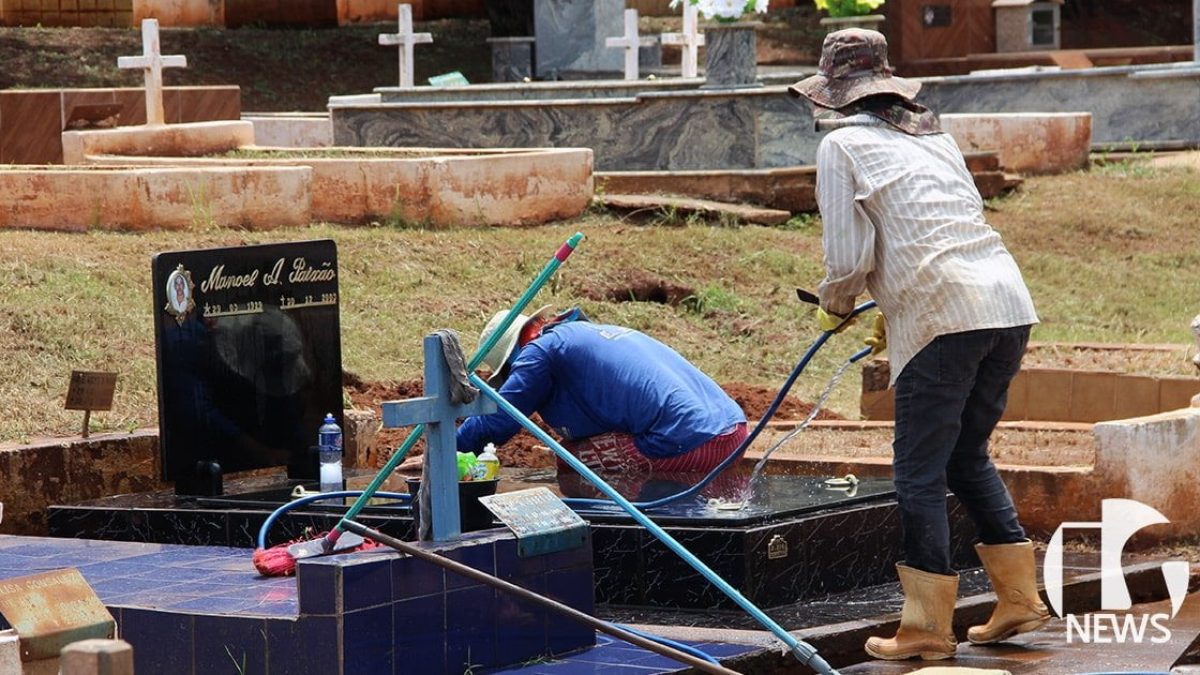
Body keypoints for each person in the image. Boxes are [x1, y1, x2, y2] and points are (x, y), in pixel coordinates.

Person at [788, 29, 1050, 661]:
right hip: (1006, 303)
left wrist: (838, 300)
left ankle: (927, 628)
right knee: (966, 456)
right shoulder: (936, 138)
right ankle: (1018, 601)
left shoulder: (842, 146)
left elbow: (848, 258)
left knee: (918, 472)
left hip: (942, 312)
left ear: (834, 97)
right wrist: (891, 301)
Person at [454, 306, 749, 484]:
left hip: (697, 443)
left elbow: (500, 418)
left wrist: (448, 450)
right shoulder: (584, 334)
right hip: (734, 432)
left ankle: (610, 542)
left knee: (570, 461)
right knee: (576, 446)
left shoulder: (538, 352)